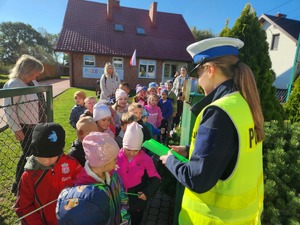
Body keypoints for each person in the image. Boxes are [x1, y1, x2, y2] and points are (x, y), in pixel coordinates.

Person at [160, 37, 265, 224]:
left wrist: (170, 161)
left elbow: (197, 179)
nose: (197, 80)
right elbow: (230, 151)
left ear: (210, 70)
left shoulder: (218, 112)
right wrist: (189, 149)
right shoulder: (243, 103)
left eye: (197, 73)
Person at [14, 122, 82, 225]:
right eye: (42, 155)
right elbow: (24, 207)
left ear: (60, 150)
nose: (47, 160)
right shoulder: (29, 176)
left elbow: (83, 185)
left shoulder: (72, 164)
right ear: (34, 151)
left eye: (52, 155)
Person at [57, 132, 130, 225]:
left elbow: (123, 199)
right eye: (114, 159)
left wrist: (124, 220)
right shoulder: (83, 190)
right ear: (103, 162)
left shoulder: (114, 176)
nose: (117, 161)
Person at [3, 54, 46, 194]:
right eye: (35, 73)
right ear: (26, 70)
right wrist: (16, 129)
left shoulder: (32, 82)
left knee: (34, 154)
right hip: (25, 127)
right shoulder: (13, 84)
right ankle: (18, 185)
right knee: (28, 155)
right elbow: (9, 109)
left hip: (38, 125)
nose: (36, 76)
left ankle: (30, 181)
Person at [117, 122, 161, 225]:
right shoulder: (116, 157)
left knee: (135, 221)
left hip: (136, 201)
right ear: (123, 144)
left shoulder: (146, 159)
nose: (131, 153)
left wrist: (147, 193)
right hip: (118, 199)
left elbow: (156, 178)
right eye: (128, 149)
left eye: (135, 150)